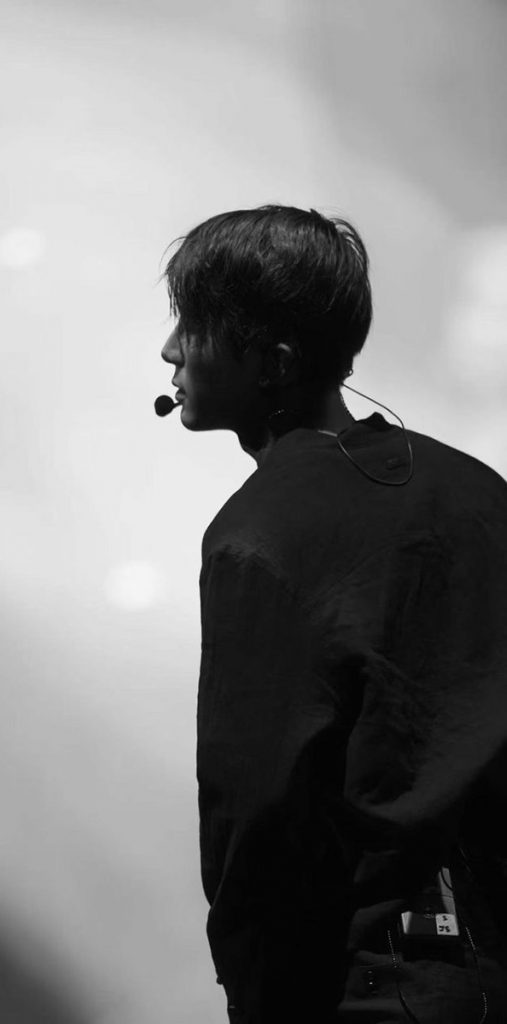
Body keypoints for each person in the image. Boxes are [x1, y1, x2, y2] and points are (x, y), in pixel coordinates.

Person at [159, 205, 507, 1023]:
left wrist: (255, 990)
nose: (171, 350)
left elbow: (256, 806)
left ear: (272, 363)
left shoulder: (258, 535)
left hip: (373, 985)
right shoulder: (479, 492)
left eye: (194, 327)